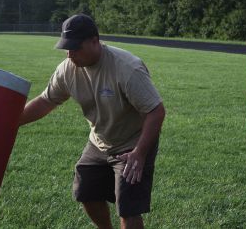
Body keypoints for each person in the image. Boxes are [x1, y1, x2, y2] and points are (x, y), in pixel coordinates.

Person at [19, 13, 166, 229]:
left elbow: (156, 111)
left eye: (75, 48)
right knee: (86, 193)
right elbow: (45, 101)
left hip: (132, 144)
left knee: (128, 208)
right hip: (99, 142)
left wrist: (140, 153)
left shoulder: (126, 68)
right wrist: (9, 123)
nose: (70, 54)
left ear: (95, 41)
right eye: (66, 48)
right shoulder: (67, 69)